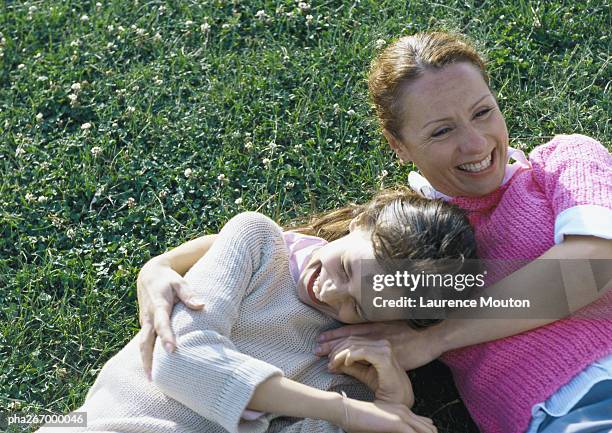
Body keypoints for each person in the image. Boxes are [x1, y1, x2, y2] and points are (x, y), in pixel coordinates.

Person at [139, 32, 612, 433]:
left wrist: (436, 338)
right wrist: (157, 267)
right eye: (441, 131)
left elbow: (592, 265)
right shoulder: (404, 233)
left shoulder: (564, 162)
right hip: (552, 417)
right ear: (399, 145)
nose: (474, 143)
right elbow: (273, 248)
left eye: (483, 112)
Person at [38, 187, 478, 433]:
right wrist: (341, 411)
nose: (329, 290)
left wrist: (386, 404)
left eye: (358, 306)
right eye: (345, 267)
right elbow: (181, 358)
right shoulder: (258, 243)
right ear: (362, 219)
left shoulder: (351, 367)